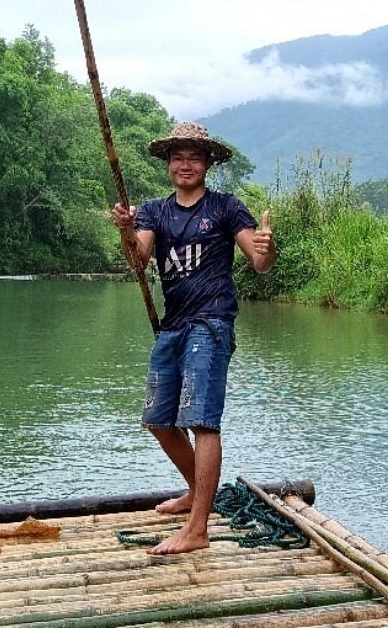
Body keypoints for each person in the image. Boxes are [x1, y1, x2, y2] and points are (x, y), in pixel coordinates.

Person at [111, 121, 276, 555]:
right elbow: (138, 261)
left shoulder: (225, 207)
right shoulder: (154, 212)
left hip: (211, 323)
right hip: (174, 325)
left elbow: (259, 263)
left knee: (202, 421)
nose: (186, 164)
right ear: (169, 164)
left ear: (208, 163)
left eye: (195, 157)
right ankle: (195, 492)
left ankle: (198, 528)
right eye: (178, 157)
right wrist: (127, 230)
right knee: (159, 421)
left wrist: (266, 247)